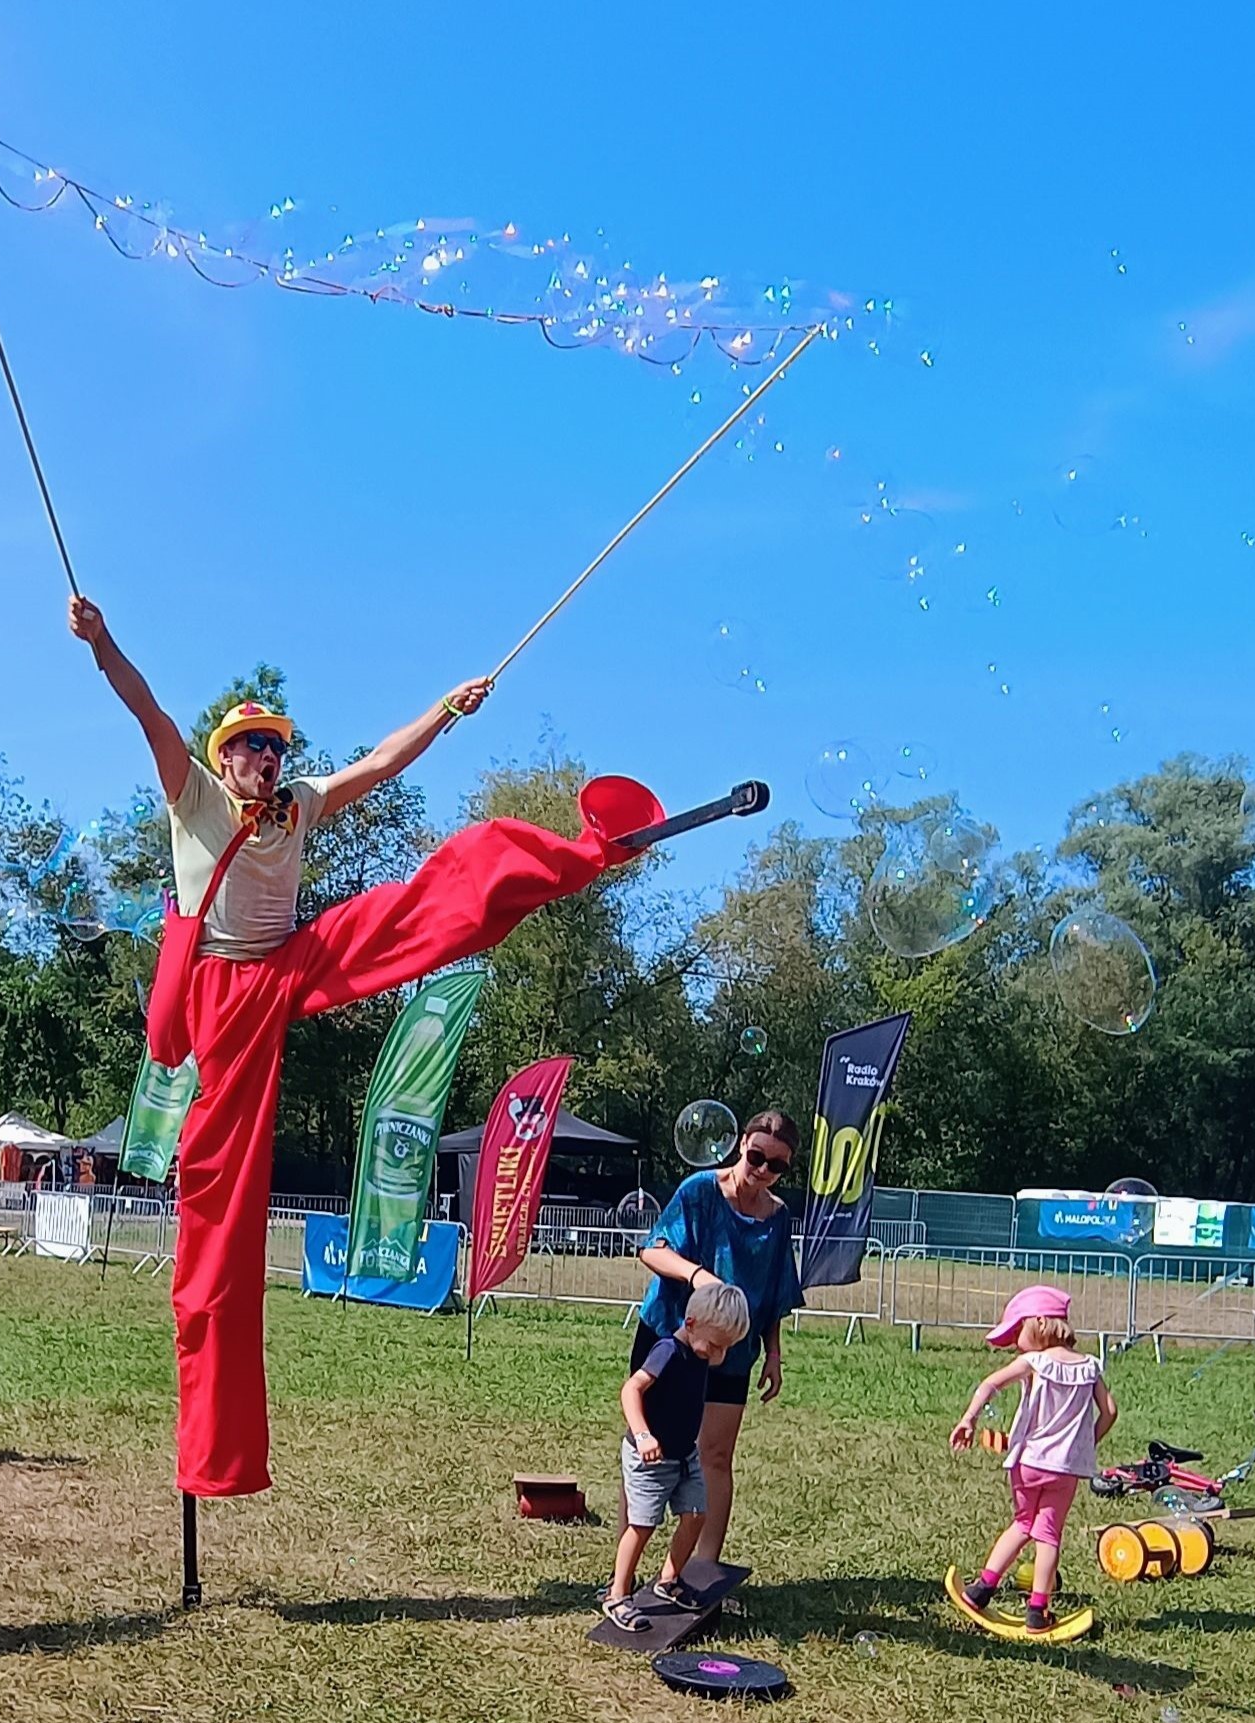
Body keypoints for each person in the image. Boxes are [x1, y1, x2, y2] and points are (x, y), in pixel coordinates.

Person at [69, 594, 656, 1498]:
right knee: (223, 1203)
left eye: (274, 746)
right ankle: (214, 1442)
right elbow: (146, 710)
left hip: (291, 961)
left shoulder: (298, 805)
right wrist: (103, 641)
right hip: (224, 990)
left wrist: (445, 709)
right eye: (250, 745)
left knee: (424, 903)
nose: (266, 757)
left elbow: (381, 764)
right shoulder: (193, 794)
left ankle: (577, 855)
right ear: (223, 757)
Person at [631, 1109, 803, 1572]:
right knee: (650, 1451)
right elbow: (653, 1250)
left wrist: (773, 1353)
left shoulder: (778, 1217)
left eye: (777, 1165)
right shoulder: (700, 1191)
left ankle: (701, 1570)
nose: (763, 1169)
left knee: (716, 1455)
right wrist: (697, 1276)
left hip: (732, 1352)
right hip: (671, 1335)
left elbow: (773, 1292)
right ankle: (626, 1574)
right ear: (742, 1143)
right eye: (757, 1156)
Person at [949, 1284, 1117, 1632]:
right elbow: (1110, 1412)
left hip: (1028, 1463)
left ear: (1040, 1323)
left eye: (1017, 1331)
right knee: (1049, 1536)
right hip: (1065, 1469)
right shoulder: (1090, 1367)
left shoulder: (1034, 1362)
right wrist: (1084, 1445)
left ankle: (982, 1590)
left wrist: (969, 1419)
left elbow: (989, 1385)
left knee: (1023, 1524)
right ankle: (1038, 1611)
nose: (1014, 1342)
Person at [604, 1281, 751, 1632]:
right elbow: (631, 1389)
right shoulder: (667, 1351)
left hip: (685, 1455)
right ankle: (617, 1595)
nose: (718, 1355)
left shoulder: (701, 1351)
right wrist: (643, 1435)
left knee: (697, 1514)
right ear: (691, 1323)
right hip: (650, 1458)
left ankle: (668, 1579)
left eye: (726, 1348)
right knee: (642, 1525)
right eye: (714, 1345)